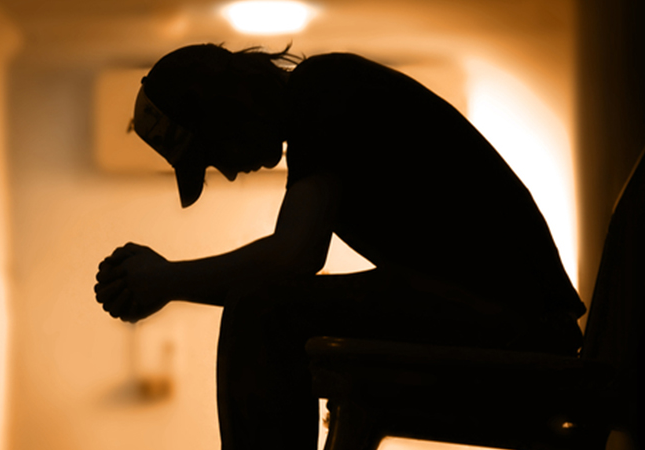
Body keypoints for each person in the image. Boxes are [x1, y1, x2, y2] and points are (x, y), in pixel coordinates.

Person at [93, 44, 587, 450]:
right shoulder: (322, 95)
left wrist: (163, 280)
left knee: (263, 309)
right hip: (513, 316)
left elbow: (294, 258)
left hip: (521, 324)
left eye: (212, 152)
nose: (225, 170)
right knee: (270, 306)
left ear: (226, 108)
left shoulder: (320, 91)